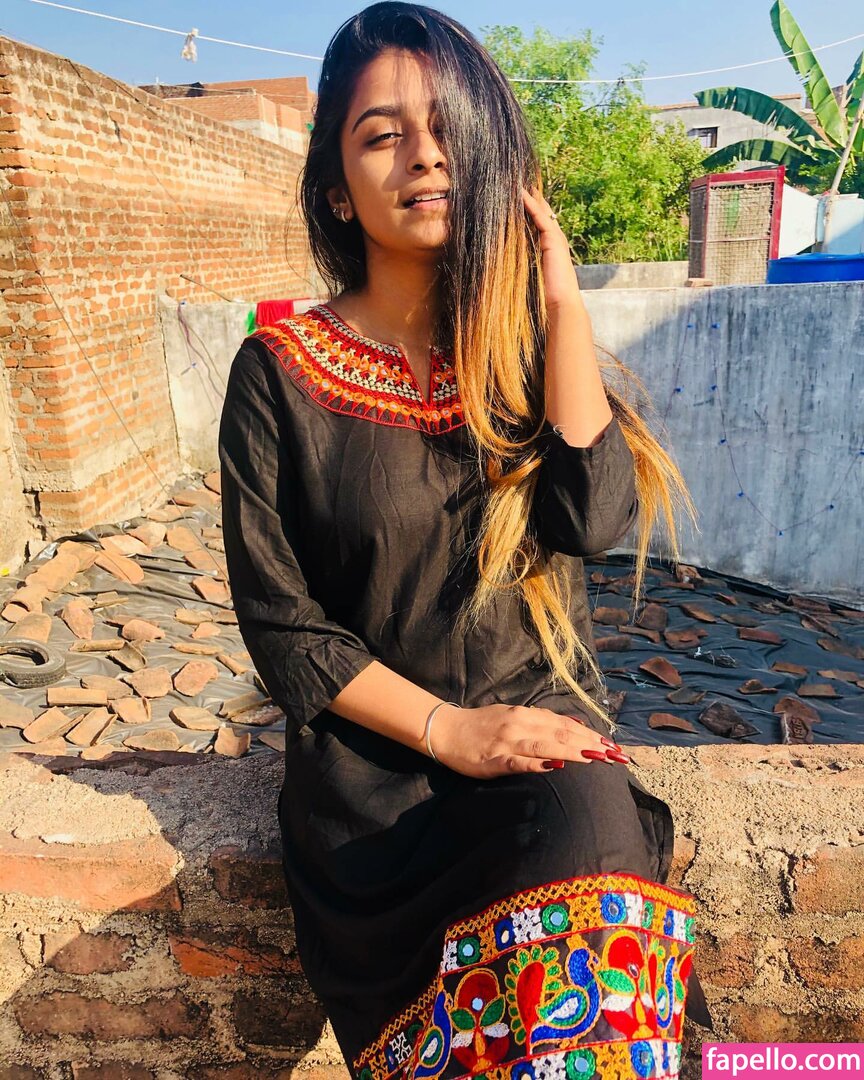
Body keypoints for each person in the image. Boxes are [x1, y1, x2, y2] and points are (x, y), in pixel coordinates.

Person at [218, 4, 714, 1078]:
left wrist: (561, 303)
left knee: (591, 851)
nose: (424, 153)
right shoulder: (279, 374)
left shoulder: (525, 356)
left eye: (446, 126)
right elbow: (282, 625)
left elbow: (594, 520)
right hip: (375, 791)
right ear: (337, 187)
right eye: (382, 134)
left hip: (534, 758)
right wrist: (448, 731)